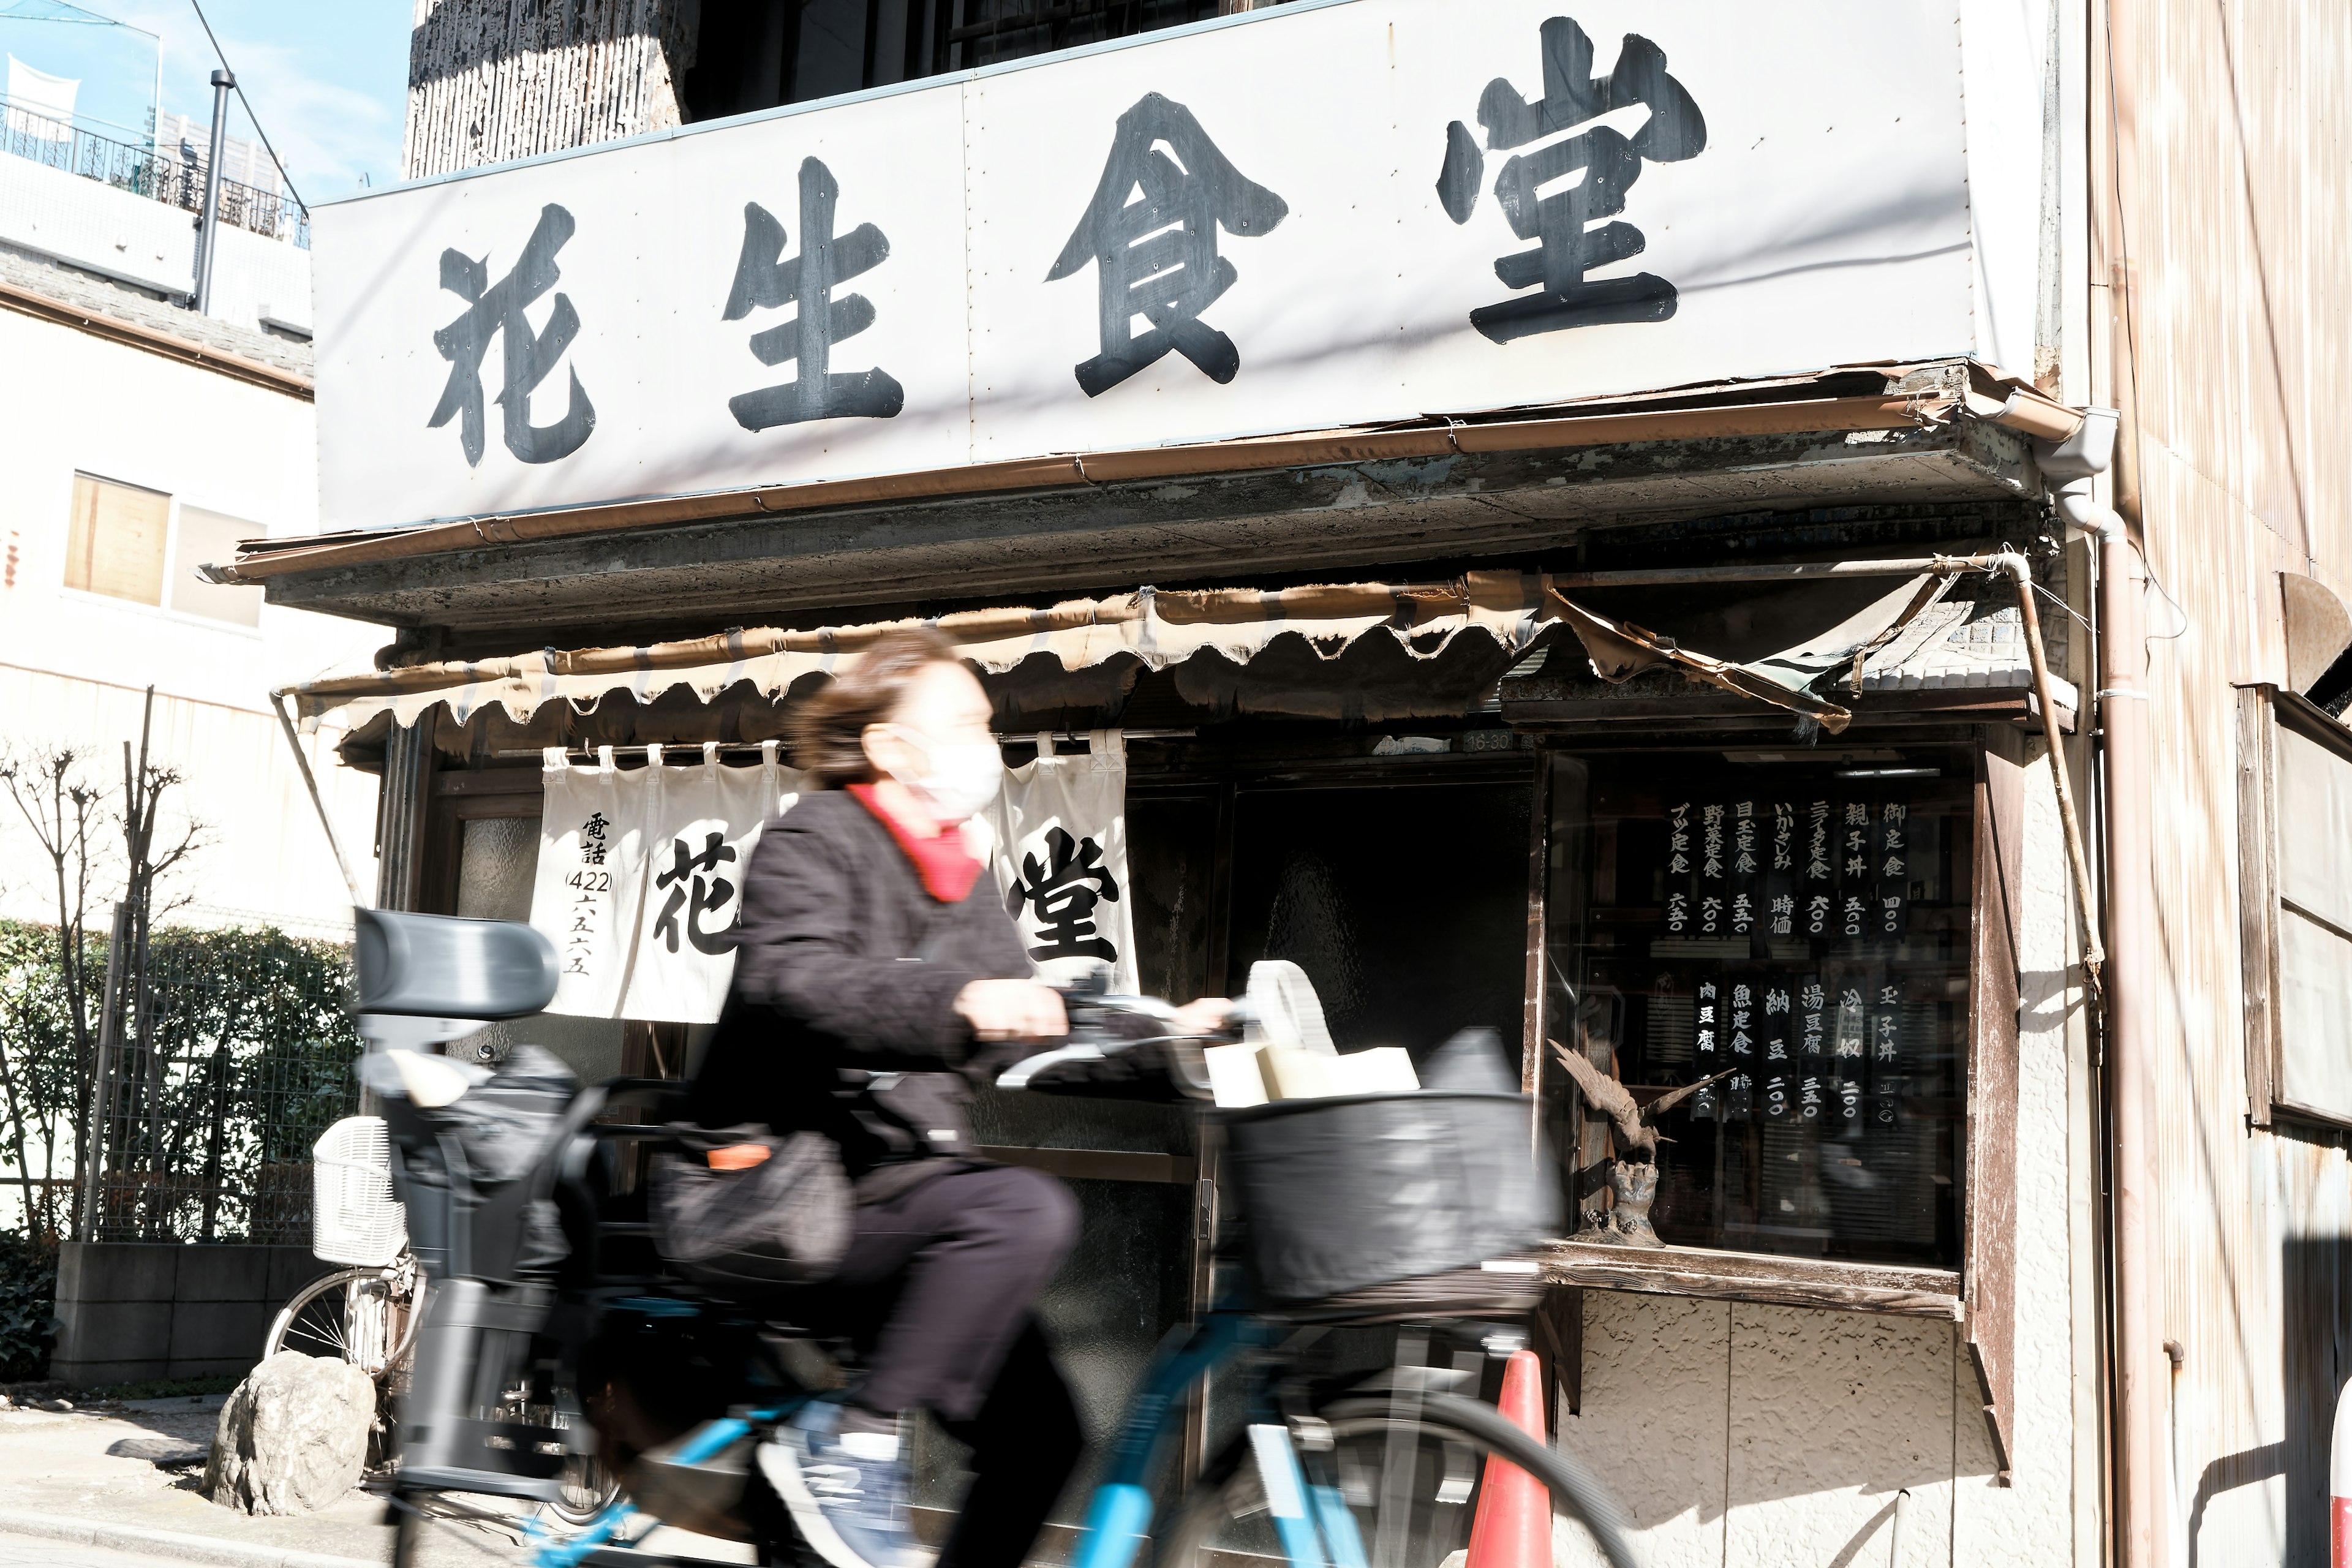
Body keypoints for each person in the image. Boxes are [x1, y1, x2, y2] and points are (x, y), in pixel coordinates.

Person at [688, 627, 1221, 1568]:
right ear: (893, 747)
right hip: (785, 1193)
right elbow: (792, 984)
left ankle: (851, 1455)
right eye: (969, 723)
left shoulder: (959, 880)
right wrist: (959, 999)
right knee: (1020, 1208)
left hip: (895, 1197)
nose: (990, 744)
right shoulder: (815, 838)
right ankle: (851, 1445)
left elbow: (1040, 1028)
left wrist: (1171, 1038)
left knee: (1042, 1439)